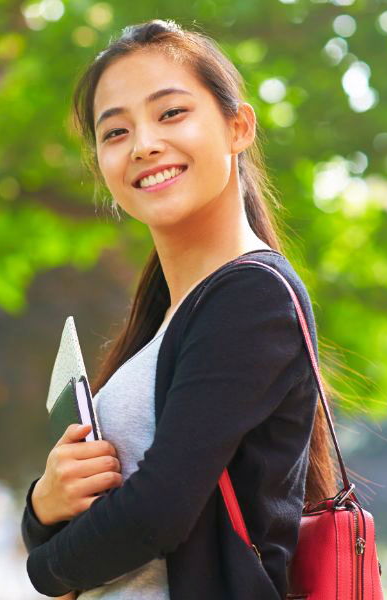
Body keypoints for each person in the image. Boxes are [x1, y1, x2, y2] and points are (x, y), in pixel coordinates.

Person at [21, 19, 339, 600]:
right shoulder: (170, 314)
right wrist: (43, 503)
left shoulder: (251, 298)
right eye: (114, 132)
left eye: (170, 113)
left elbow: (157, 513)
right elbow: (113, 507)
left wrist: (42, 571)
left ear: (237, 126)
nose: (143, 143)